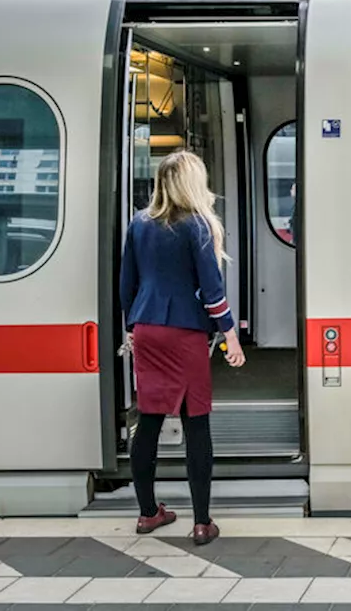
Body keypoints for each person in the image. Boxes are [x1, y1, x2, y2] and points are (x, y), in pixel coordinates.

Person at [120, 150, 246, 546]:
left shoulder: (139, 223)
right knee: (196, 422)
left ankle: (146, 514)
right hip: (184, 331)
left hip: (146, 328)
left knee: (150, 419)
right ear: (194, 183)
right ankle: (202, 522)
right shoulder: (198, 226)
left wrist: (130, 325)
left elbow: (127, 281)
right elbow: (212, 290)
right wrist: (230, 334)